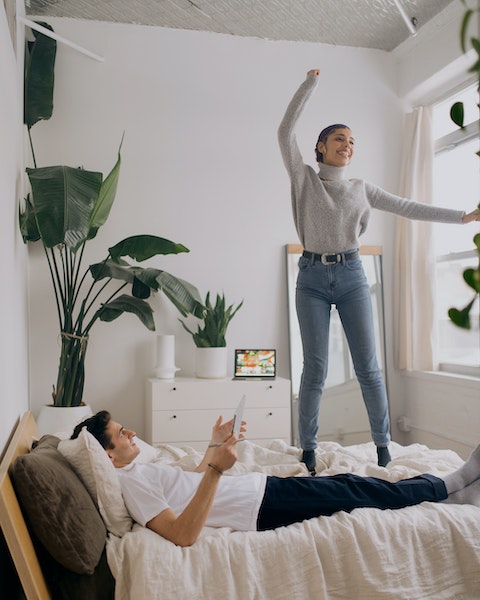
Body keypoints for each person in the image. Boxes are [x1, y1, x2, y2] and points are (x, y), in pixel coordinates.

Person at [278, 69, 480, 473]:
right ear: (321, 146)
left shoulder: (361, 188)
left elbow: (409, 206)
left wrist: (464, 217)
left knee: (369, 367)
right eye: (339, 139)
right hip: (311, 279)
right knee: (315, 367)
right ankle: (309, 451)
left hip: (352, 276)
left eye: (352, 142)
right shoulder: (302, 179)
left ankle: (383, 448)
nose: (347, 146)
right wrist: (310, 85)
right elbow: (285, 131)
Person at [72, 410, 480, 547]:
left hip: (259, 492)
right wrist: (217, 469)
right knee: (353, 488)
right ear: (108, 455)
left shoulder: (139, 471)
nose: (130, 433)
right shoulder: (129, 483)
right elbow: (182, 534)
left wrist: (214, 446)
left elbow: (188, 488)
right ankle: (446, 485)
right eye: (121, 433)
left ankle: (450, 498)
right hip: (260, 507)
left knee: (348, 485)